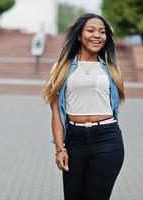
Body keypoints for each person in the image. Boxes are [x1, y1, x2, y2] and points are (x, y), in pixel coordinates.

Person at [42, 13, 125, 200]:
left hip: (107, 138)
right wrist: (60, 149)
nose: (97, 35)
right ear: (79, 35)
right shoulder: (60, 68)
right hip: (74, 140)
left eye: (102, 32)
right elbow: (55, 111)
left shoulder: (111, 68)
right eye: (91, 30)